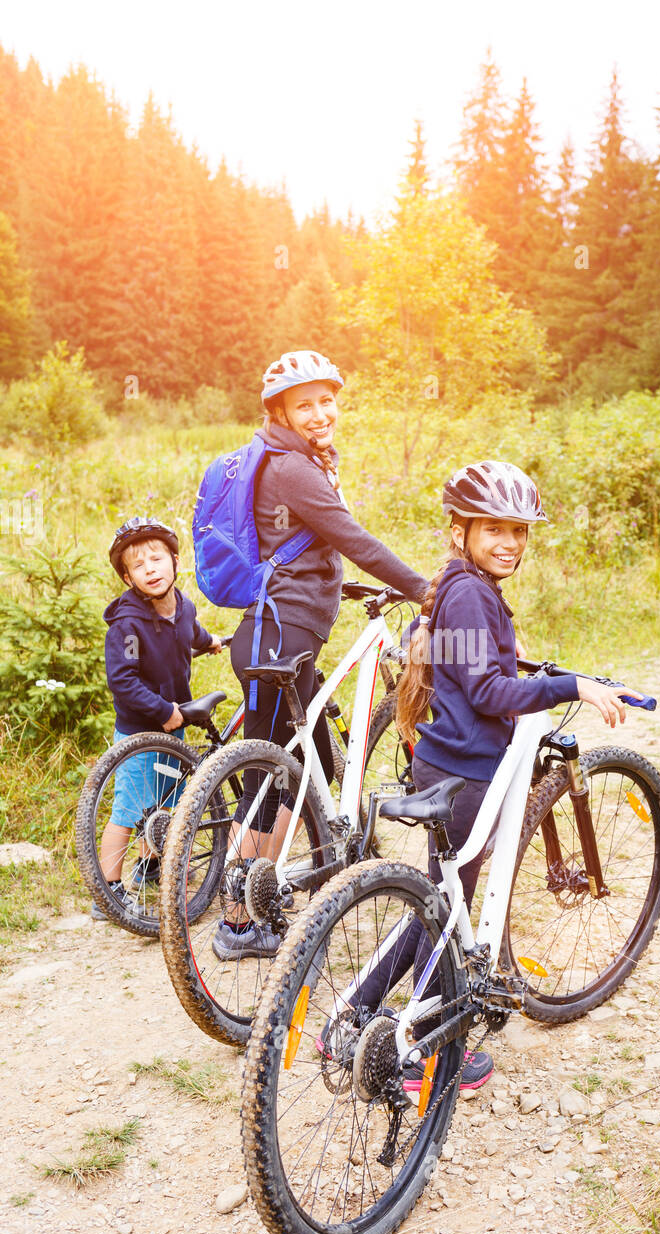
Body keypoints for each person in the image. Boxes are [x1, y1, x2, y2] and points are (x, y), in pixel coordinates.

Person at [347, 459, 643, 1090]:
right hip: (468, 778)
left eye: (520, 531)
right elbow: (486, 690)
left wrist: (533, 675)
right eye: (495, 530)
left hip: (441, 763)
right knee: (444, 912)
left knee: (437, 903)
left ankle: (351, 1012)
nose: (510, 542)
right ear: (461, 530)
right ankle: (420, 1052)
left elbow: (469, 666)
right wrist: (571, 687)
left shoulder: (454, 585)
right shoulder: (473, 592)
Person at [217, 349, 429, 961]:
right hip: (277, 637)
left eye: (326, 400)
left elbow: (308, 544)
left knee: (313, 765)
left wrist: (345, 584)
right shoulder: (290, 468)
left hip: (285, 633)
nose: (319, 412)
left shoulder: (300, 461)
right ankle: (237, 921)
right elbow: (351, 537)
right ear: (280, 410)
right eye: (304, 403)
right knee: (266, 776)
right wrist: (424, 588)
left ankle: (277, 886)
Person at [94, 517, 221, 920]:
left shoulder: (182, 605)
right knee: (130, 810)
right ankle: (108, 892)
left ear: (175, 561)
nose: (150, 569)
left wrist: (211, 641)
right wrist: (163, 710)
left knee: (165, 804)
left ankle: (149, 869)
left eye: (157, 558)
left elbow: (190, 631)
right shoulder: (127, 625)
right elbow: (123, 682)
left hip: (174, 728)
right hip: (140, 733)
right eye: (139, 565)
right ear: (128, 577)